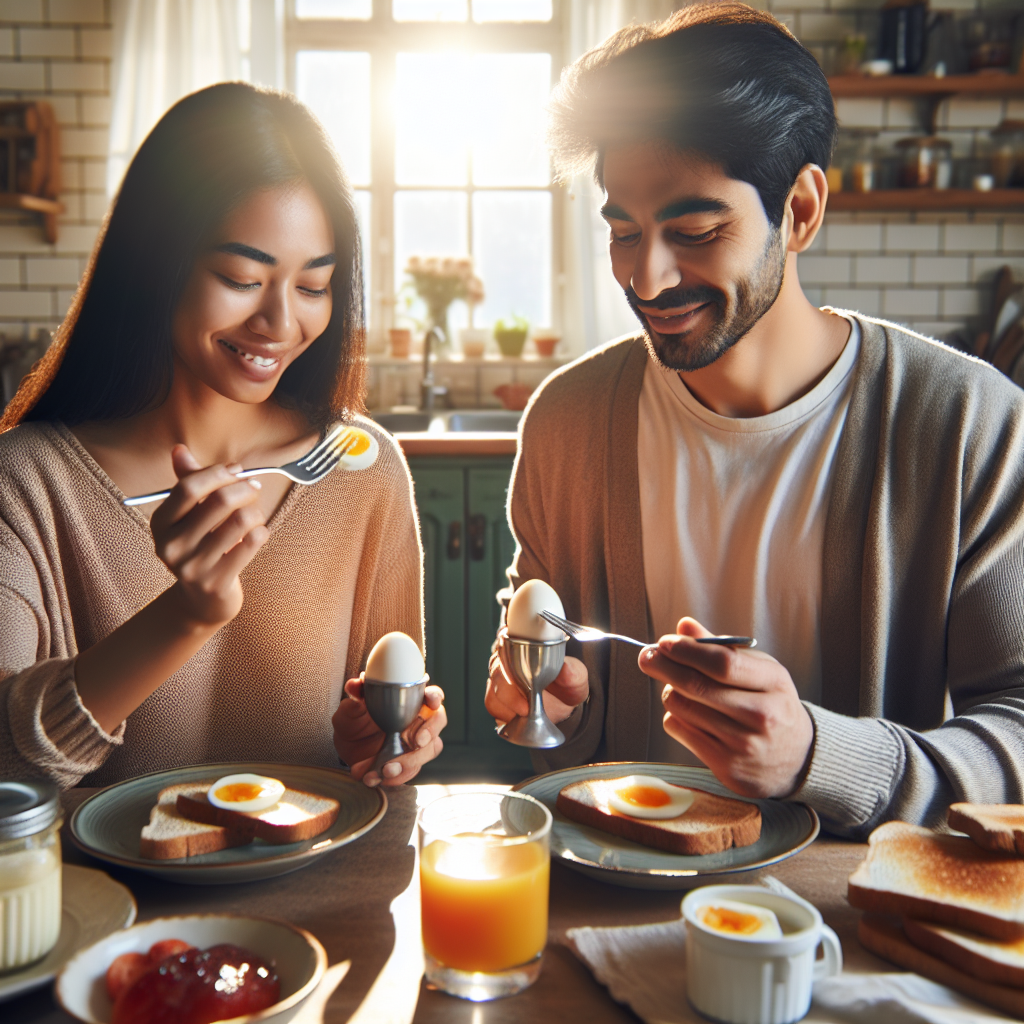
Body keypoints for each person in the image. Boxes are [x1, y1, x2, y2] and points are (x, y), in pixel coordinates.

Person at [485, 3, 1024, 839]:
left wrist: (819, 754)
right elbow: (563, 751)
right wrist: (549, 706)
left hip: (859, 921)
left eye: (696, 231)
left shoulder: (967, 425)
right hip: (621, 903)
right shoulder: (570, 422)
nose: (649, 277)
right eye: (624, 232)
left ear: (802, 211)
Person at [0, 83, 446, 790]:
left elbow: (389, 719)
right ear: (156, 262)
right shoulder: (25, 484)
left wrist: (387, 738)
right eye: (241, 277)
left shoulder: (361, 469)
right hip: (103, 901)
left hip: (318, 895)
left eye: (313, 286)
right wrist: (185, 613)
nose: (279, 322)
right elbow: (4, 762)